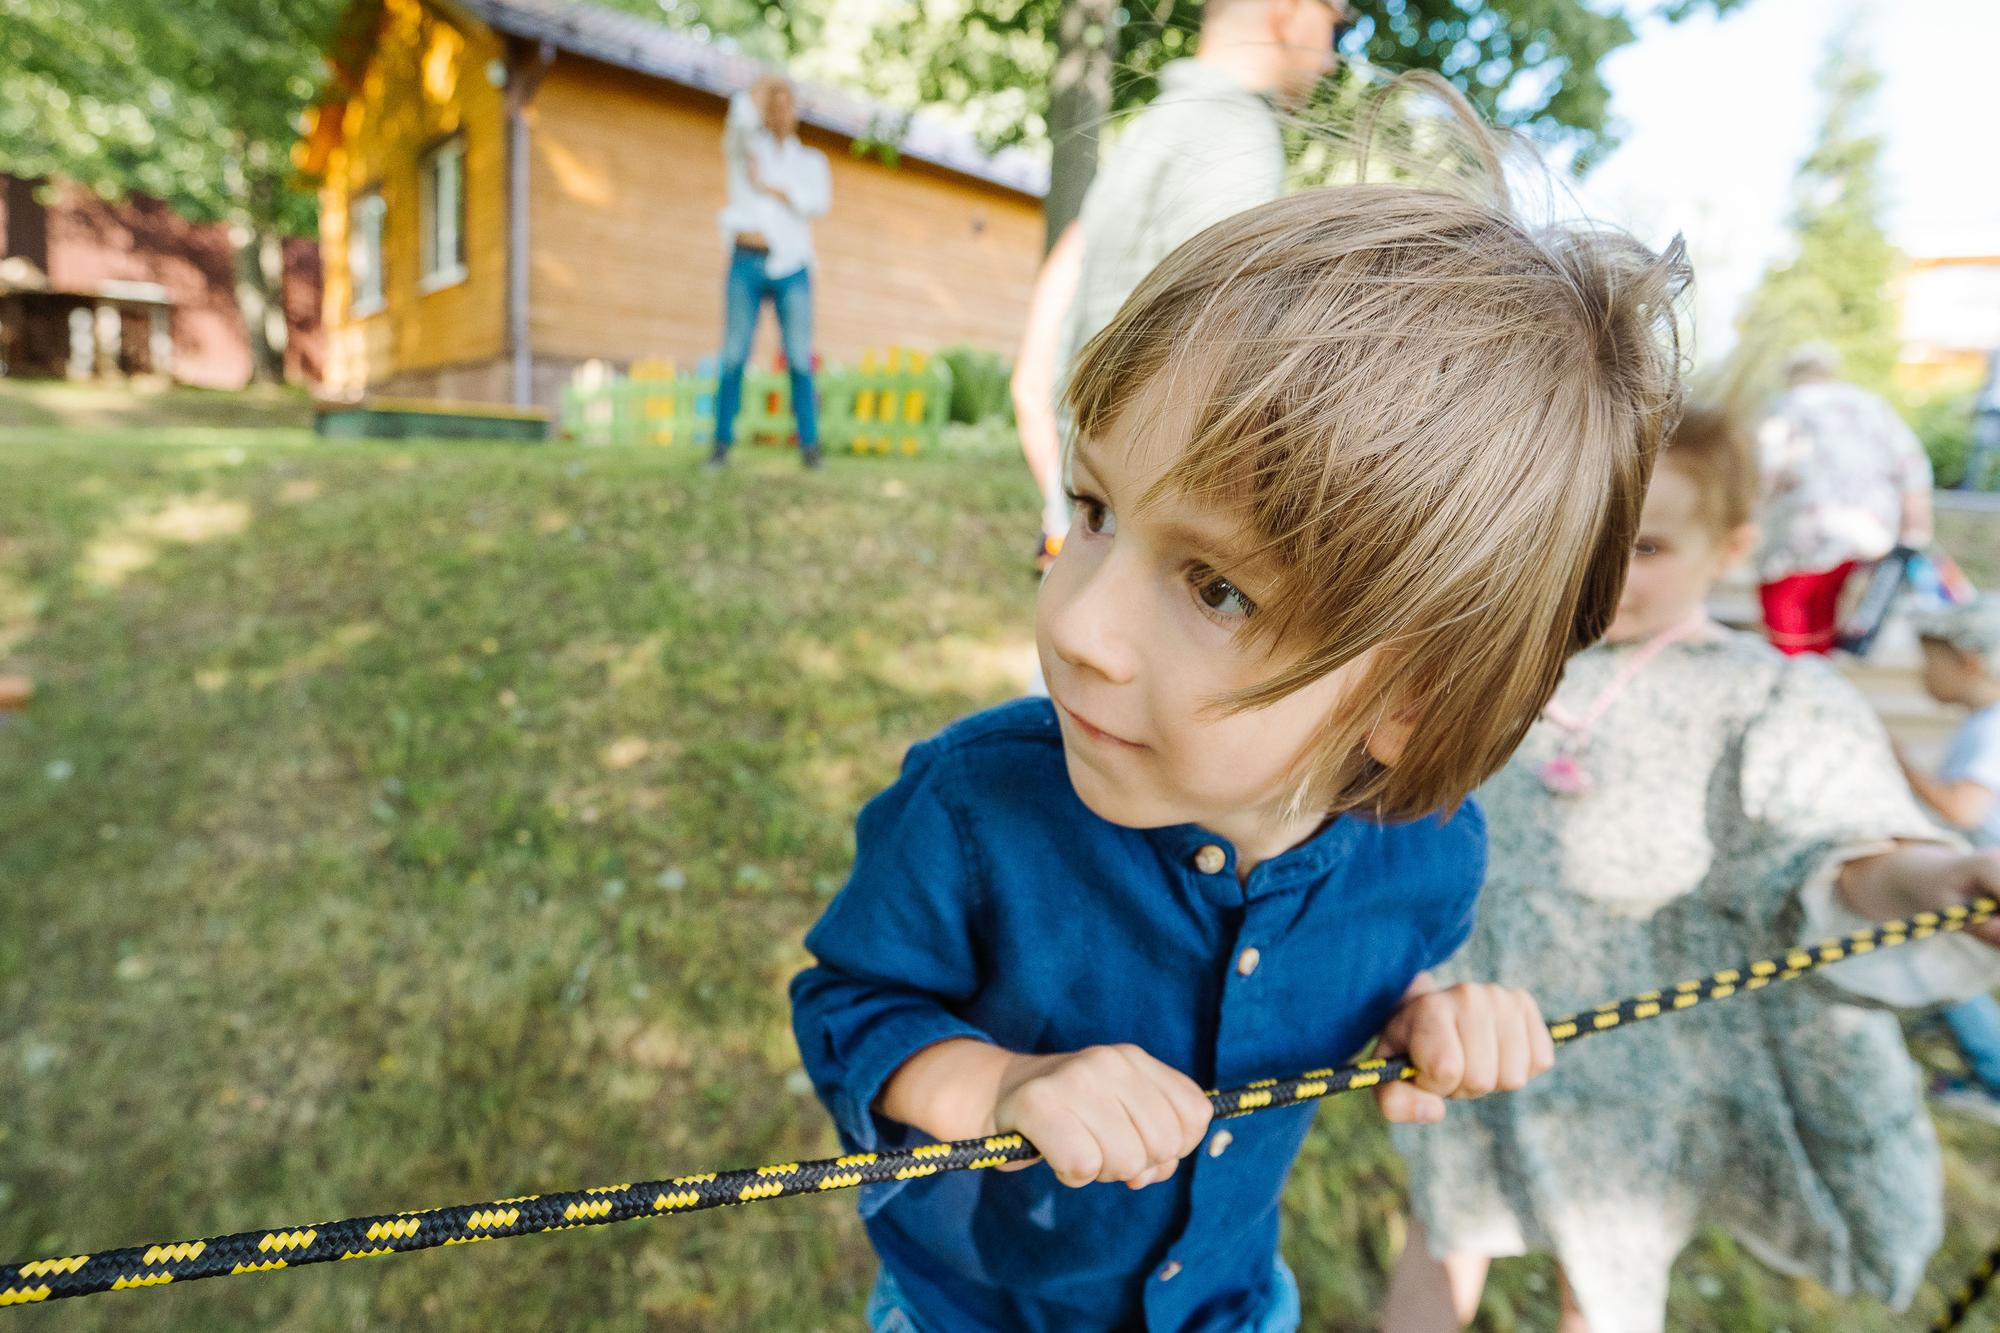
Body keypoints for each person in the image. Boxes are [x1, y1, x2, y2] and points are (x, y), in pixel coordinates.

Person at [791, 75, 1689, 1333]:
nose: (1076, 626)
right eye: (1095, 510)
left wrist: (1429, 1023)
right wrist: (1001, 1086)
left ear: (1409, 704)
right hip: (972, 1309)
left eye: (1216, 588)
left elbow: (1378, 982)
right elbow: (849, 1007)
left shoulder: (1430, 860)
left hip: (1229, 1305)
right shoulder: (970, 804)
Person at [1385, 406, 2000, 1333]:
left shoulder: (1767, 694)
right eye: (1582, 537)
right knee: (1448, 1222)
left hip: (1636, 1061)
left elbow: (1840, 844)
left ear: (1732, 547)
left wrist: (1935, 882)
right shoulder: (1491, 665)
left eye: (1647, 548)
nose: (1603, 575)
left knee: (1607, 1270)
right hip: (1478, 1012)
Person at [1011, 0, 1349, 569]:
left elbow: (1037, 363)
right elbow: (1221, 372)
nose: (1332, 60)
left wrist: (1065, 506)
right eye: (1337, 23)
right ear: (1288, 10)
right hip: (1137, 546)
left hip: (1093, 517)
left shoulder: (1149, 129)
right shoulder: (1236, 139)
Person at [1754, 341, 1934, 653]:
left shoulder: (1787, 404)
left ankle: (1791, 671)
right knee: (1825, 606)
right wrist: (1916, 526)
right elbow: (1912, 466)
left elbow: (1766, 469)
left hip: (1805, 528)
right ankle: (1818, 671)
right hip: (1868, 527)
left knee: (1784, 603)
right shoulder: (1871, 404)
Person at [1898, 599, 2000, 1122]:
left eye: (1930, 660)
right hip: (1979, 875)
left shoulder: (1990, 728)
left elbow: (1964, 807)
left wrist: (1901, 764)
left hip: (1983, 882)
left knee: (1941, 970)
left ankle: (1994, 1077)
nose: (1924, 674)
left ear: (1968, 661)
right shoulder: (1982, 723)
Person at [710, 72, 831, 470]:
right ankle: (720, 446)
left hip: (792, 266)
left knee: (798, 359)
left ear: (795, 112)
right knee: (733, 357)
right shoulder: (745, 149)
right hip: (745, 261)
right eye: (771, 106)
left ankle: (810, 447)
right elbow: (738, 121)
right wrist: (756, 91)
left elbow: (815, 203)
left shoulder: (811, 162)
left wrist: (768, 186)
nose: (779, 113)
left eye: (785, 105)